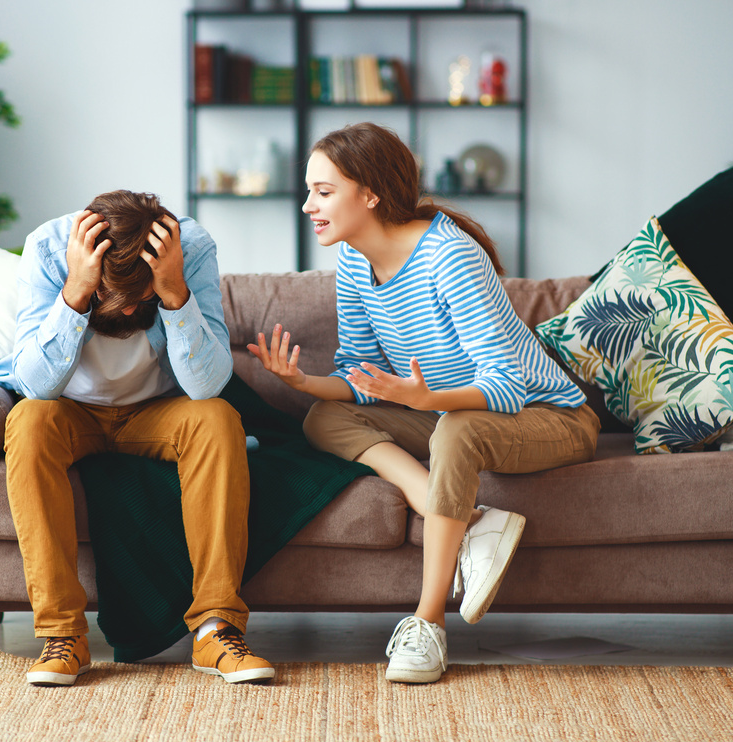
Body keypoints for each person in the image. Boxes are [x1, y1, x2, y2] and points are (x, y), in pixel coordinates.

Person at [249, 123, 599, 684]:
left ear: (370, 194)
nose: (308, 205)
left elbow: (505, 387)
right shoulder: (355, 266)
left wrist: (427, 397)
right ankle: (471, 520)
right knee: (326, 417)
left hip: (549, 418)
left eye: (323, 191)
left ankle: (428, 624)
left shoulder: (449, 257)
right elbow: (360, 379)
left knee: (455, 429)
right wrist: (303, 382)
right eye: (309, 190)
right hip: (443, 412)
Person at [0, 190, 274, 687]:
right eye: (118, 300)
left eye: (140, 300)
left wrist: (173, 291)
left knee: (216, 418)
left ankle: (216, 629)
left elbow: (207, 385)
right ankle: (64, 637)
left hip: (159, 411)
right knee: (27, 420)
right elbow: (36, 384)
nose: (129, 315)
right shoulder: (46, 249)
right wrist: (77, 290)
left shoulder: (189, 248)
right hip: (73, 411)